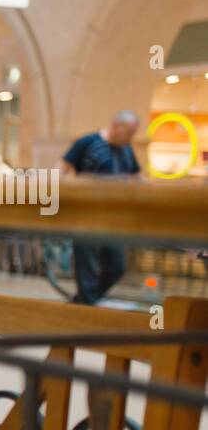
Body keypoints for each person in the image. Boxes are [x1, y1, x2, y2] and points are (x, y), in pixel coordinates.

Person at [61, 110, 142, 304]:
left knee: (117, 267)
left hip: (113, 219)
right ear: (116, 126)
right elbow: (62, 168)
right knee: (86, 268)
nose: (131, 137)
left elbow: (137, 177)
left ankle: (82, 302)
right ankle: (86, 308)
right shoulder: (87, 143)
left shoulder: (127, 149)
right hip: (85, 216)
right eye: (129, 133)